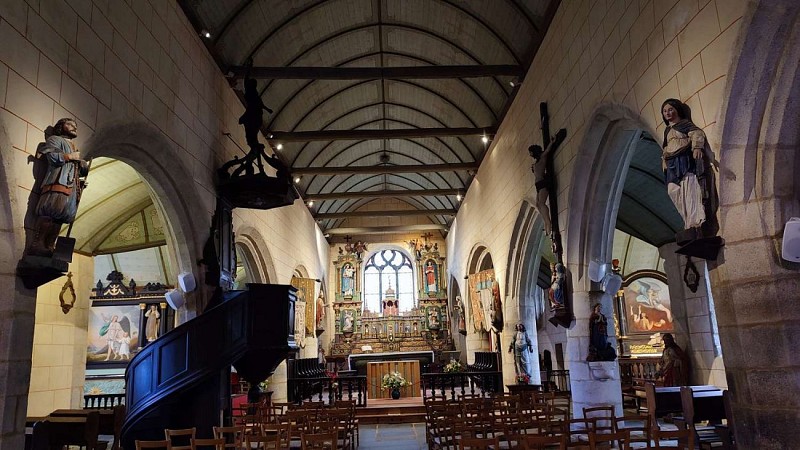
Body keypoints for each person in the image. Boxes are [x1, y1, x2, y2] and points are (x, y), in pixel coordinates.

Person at [29, 118, 89, 257]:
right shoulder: (55, 140)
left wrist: (79, 179)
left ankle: (50, 245)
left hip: (70, 185)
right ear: (61, 127)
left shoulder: (74, 146)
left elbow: (75, 169)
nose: (74, 127)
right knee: (50, 211)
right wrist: (70, 156)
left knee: (62, 216)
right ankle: (38, 244)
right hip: (57, 180)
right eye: (70, 124)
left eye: (75, 125)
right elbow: (53, 158)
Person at [660, 98, 712, 232]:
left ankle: (694, 222)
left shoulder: (683, 124)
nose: (668, 113)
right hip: (672, 163)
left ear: (677, 110)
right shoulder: (667, 131)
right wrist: (664, 160)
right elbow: (666, 147)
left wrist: (697, 147)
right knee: (672, 190)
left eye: (670, 109)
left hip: (684, 159)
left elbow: (697, 133)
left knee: (689, 187)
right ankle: (687, 218)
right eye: (665, 111)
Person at [529, 142, 556, 236]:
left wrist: (552, 141)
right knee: (537, 204)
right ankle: (545, 221)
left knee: (541, 203)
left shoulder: (542, 158)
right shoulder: (536, 162)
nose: (530, 154)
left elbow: (547, 150)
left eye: (531, 152)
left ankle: (548, 222)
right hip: (538, 185)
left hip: (543, 183)